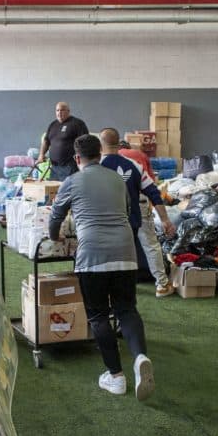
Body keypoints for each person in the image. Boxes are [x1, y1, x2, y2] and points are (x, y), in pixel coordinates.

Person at [48, 134, 156, 401]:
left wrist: (54, 237)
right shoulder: (118, 180)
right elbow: (128, 211)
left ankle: (116, 376)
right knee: (127, 310)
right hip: (125, 252)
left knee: (98, 316)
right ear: (101, 154)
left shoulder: (71, 181)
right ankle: (140, 356)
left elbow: (56, 216)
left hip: (92, 255)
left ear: (77, 158)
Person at [98, 128, 176, 297]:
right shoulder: (134, 165)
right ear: (119, 143)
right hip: (134, 211)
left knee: (108, 251)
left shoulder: (97, 166)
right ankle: (162, 284)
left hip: (106, 217)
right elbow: (153, 192)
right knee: (150, 245)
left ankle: (109, 289)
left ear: (101, 144)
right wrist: (165, 220)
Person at [37, 101, 89, 181]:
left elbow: (85, 142)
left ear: (68, 111)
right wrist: (41, 154)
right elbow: (46, 141)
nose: (59, 112)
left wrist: (82, 160)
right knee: (54, 191)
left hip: (70, 166)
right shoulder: (53, 124)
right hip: (54, 167)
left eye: (62, 110)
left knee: (68, 191)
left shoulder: (77, 123)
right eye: (57, 110)